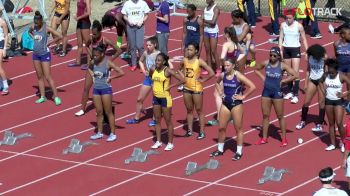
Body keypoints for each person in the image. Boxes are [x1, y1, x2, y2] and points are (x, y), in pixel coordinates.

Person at [210, 58, 255, 160]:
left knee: (238, 128)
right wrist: (221, 93)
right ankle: (220, 150)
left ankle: (239, 152)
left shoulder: (238, 75)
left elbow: (252, 86)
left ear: (233, 66)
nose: (225, 67)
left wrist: (243, 96)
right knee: (221, 127)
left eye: (228, 66)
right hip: (225, 104)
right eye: (224, 66)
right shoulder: (223, 75)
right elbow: (216, 83)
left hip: (236, 105)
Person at [75, 20, 123, 116]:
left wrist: (109, 61)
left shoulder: (105, 40)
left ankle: (105, 112)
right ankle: (82, 109)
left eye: (95, 34)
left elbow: (119, 50)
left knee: (103, 90)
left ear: (100, 31)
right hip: (92, 67)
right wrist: (90, 55)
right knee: (86, 88)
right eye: (92, 33)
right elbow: (87, 45)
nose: (93, 35)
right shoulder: (91, 39)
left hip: (103, 68)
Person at [255, 47, 297, 146]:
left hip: (277, 93)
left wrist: (284, 81)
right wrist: (263, 78)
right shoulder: (266, 63)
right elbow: (256, 69)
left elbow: (295, 75)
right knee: (265, 116)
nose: (272, 57)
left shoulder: (282, 66)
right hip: (266, 92)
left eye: (274, 55)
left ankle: (284, 139)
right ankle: (264, 138)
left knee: (280, 116)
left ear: (278, 56)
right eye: (270, 55)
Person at [208, 26, 246, 126]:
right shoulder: (236, 44)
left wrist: (223, 65)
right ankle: (233, 116)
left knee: (217, 94)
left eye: (224, 33)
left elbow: (221, 57)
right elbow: (243, 52)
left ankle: (220, 118)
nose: (223, 35)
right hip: (234, 70)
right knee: (233, 92)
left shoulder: (227, 44)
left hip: (227, 71)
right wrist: (235, 61)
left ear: (227, 34)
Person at [178, 42, 214, 139]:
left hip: (196, 89)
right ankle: (189, 131)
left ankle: (201, 132)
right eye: (187, 49)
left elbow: (211, 72)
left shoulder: (199, 61)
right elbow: (178, 69)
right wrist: (183, 78)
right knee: (189, 110)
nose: (188, 51)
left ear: (196, 51)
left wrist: (203, 80)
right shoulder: (184, 60)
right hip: (186, 88)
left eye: (190, 50)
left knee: (199, 110)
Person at [89, 43, 125, 142]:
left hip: (106, 89)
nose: (95, 57)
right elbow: (89, 68)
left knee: (108, 112)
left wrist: (111, 78)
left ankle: (113, 133)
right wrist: (93, 76)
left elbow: (121, 72)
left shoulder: (108, 63)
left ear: (102, 54)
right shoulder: (93, 62)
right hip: (96, 89)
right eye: (94, 55)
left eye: (96, 55)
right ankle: (99, 132)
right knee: (99, 112)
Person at [150, 53, 185, 151]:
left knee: (167, 121)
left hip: (165, 98)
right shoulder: (153, 69)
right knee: (157, 120)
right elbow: (150, 76)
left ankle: (170, 143)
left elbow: (183, 80)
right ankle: (158, 141)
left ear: (164, 62)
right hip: (156, 98)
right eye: (156, 60)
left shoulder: (168, 71)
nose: (157, 62)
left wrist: (171, 86)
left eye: (159, 60)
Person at [126, 36, 162, 125]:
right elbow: (140, 61)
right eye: (147, 45)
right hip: (148, 79)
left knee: (155, 100)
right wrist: (143, 70)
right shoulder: (146, 53)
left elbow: (167, 66)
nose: (147, 47)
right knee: (139, 99)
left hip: (156, 80)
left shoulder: (159, 54)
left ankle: (155, 119)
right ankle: (136, 118)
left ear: (155, 45)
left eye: (150, 45)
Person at [30, 11, 62, 105]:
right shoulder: (33, 27)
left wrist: (50, 43)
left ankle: (56, 96)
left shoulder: (46, 28)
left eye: (37, 21)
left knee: (47, 77)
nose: (35, 23)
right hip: (35, 55)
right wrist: (33, 39)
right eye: (34, 21)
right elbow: (29, 32)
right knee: (39, 77)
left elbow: (59, 36)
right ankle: (42, 97)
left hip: (44, 54)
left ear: (41, 21)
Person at [320, 58, 350, 151]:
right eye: (329, 72)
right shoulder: (325, 75)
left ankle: (344, 143)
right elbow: (320, 82)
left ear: (336, 70)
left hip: (338, 102)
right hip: (328, 101)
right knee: (331, 124)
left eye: (332, 73)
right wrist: (323, 90)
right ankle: (333, 144)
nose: (331, 74)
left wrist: (344, 94)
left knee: (339, 123)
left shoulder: (341, 76)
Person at [279, 10, 308, 104]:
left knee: (295, 73)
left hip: (295, 49)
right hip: (286, 49)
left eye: (290, 18)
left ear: (294, 17)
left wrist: (307, 52)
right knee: (288, 73)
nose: (288, 19)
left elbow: (304, 39)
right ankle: (290, 92)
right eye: (287, 18)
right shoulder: (283, 25)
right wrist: (280, 50)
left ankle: (295, 95)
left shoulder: (299, 26)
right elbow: (280, 38)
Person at [295, 44, 326, 132]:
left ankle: (319, 124)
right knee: (306, 102)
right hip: (312, 80)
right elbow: (308, 70)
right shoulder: (310, 58)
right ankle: (303, 121)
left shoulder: (324, 59)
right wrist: (305, 83)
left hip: (321, 81)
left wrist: (323, 83)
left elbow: (326, 72)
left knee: (321, 103)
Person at [121, 0, 151, 71]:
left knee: (139, 46)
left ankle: (142, 64)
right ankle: (134, 64)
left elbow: (147, 14)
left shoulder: (142, 3)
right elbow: (124, 15)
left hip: (140, 27)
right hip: (130, 27)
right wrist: (128, 21)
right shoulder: (127, 3)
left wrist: (142, 21)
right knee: (132, 46)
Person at [68, 0, 91, 70]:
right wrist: (76, 15)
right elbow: (79, 10)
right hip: (79, 23)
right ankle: (78, 62)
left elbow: (89, 13)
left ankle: (89, 63)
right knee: (79, 44)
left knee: (87, 44)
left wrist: (79, 17)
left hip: (85, 23)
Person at [334, 24, 350, 110]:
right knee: (337, 84)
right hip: (340, 67)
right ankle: (338, 99)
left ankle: (348, 101)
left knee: (349, 84)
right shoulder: (336, 44)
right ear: (343, 35)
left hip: (349, 67)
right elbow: (336, 55)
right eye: (349, 34)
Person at [203, 0, 220, 75]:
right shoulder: (205, 8)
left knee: (213, 51)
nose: (206, 0)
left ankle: (218, 69)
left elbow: (213, 22)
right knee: (207, 50)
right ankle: (209, 69)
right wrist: (206, 22)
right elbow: (201, 19)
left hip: (213, 32)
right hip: (206, 30)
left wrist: (204, 21)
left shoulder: (216, 9)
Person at [0, 16, 9, 95]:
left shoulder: (2, 22)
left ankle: (5, 86)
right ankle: (1, 84)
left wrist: (5, 48)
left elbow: (6, 36)